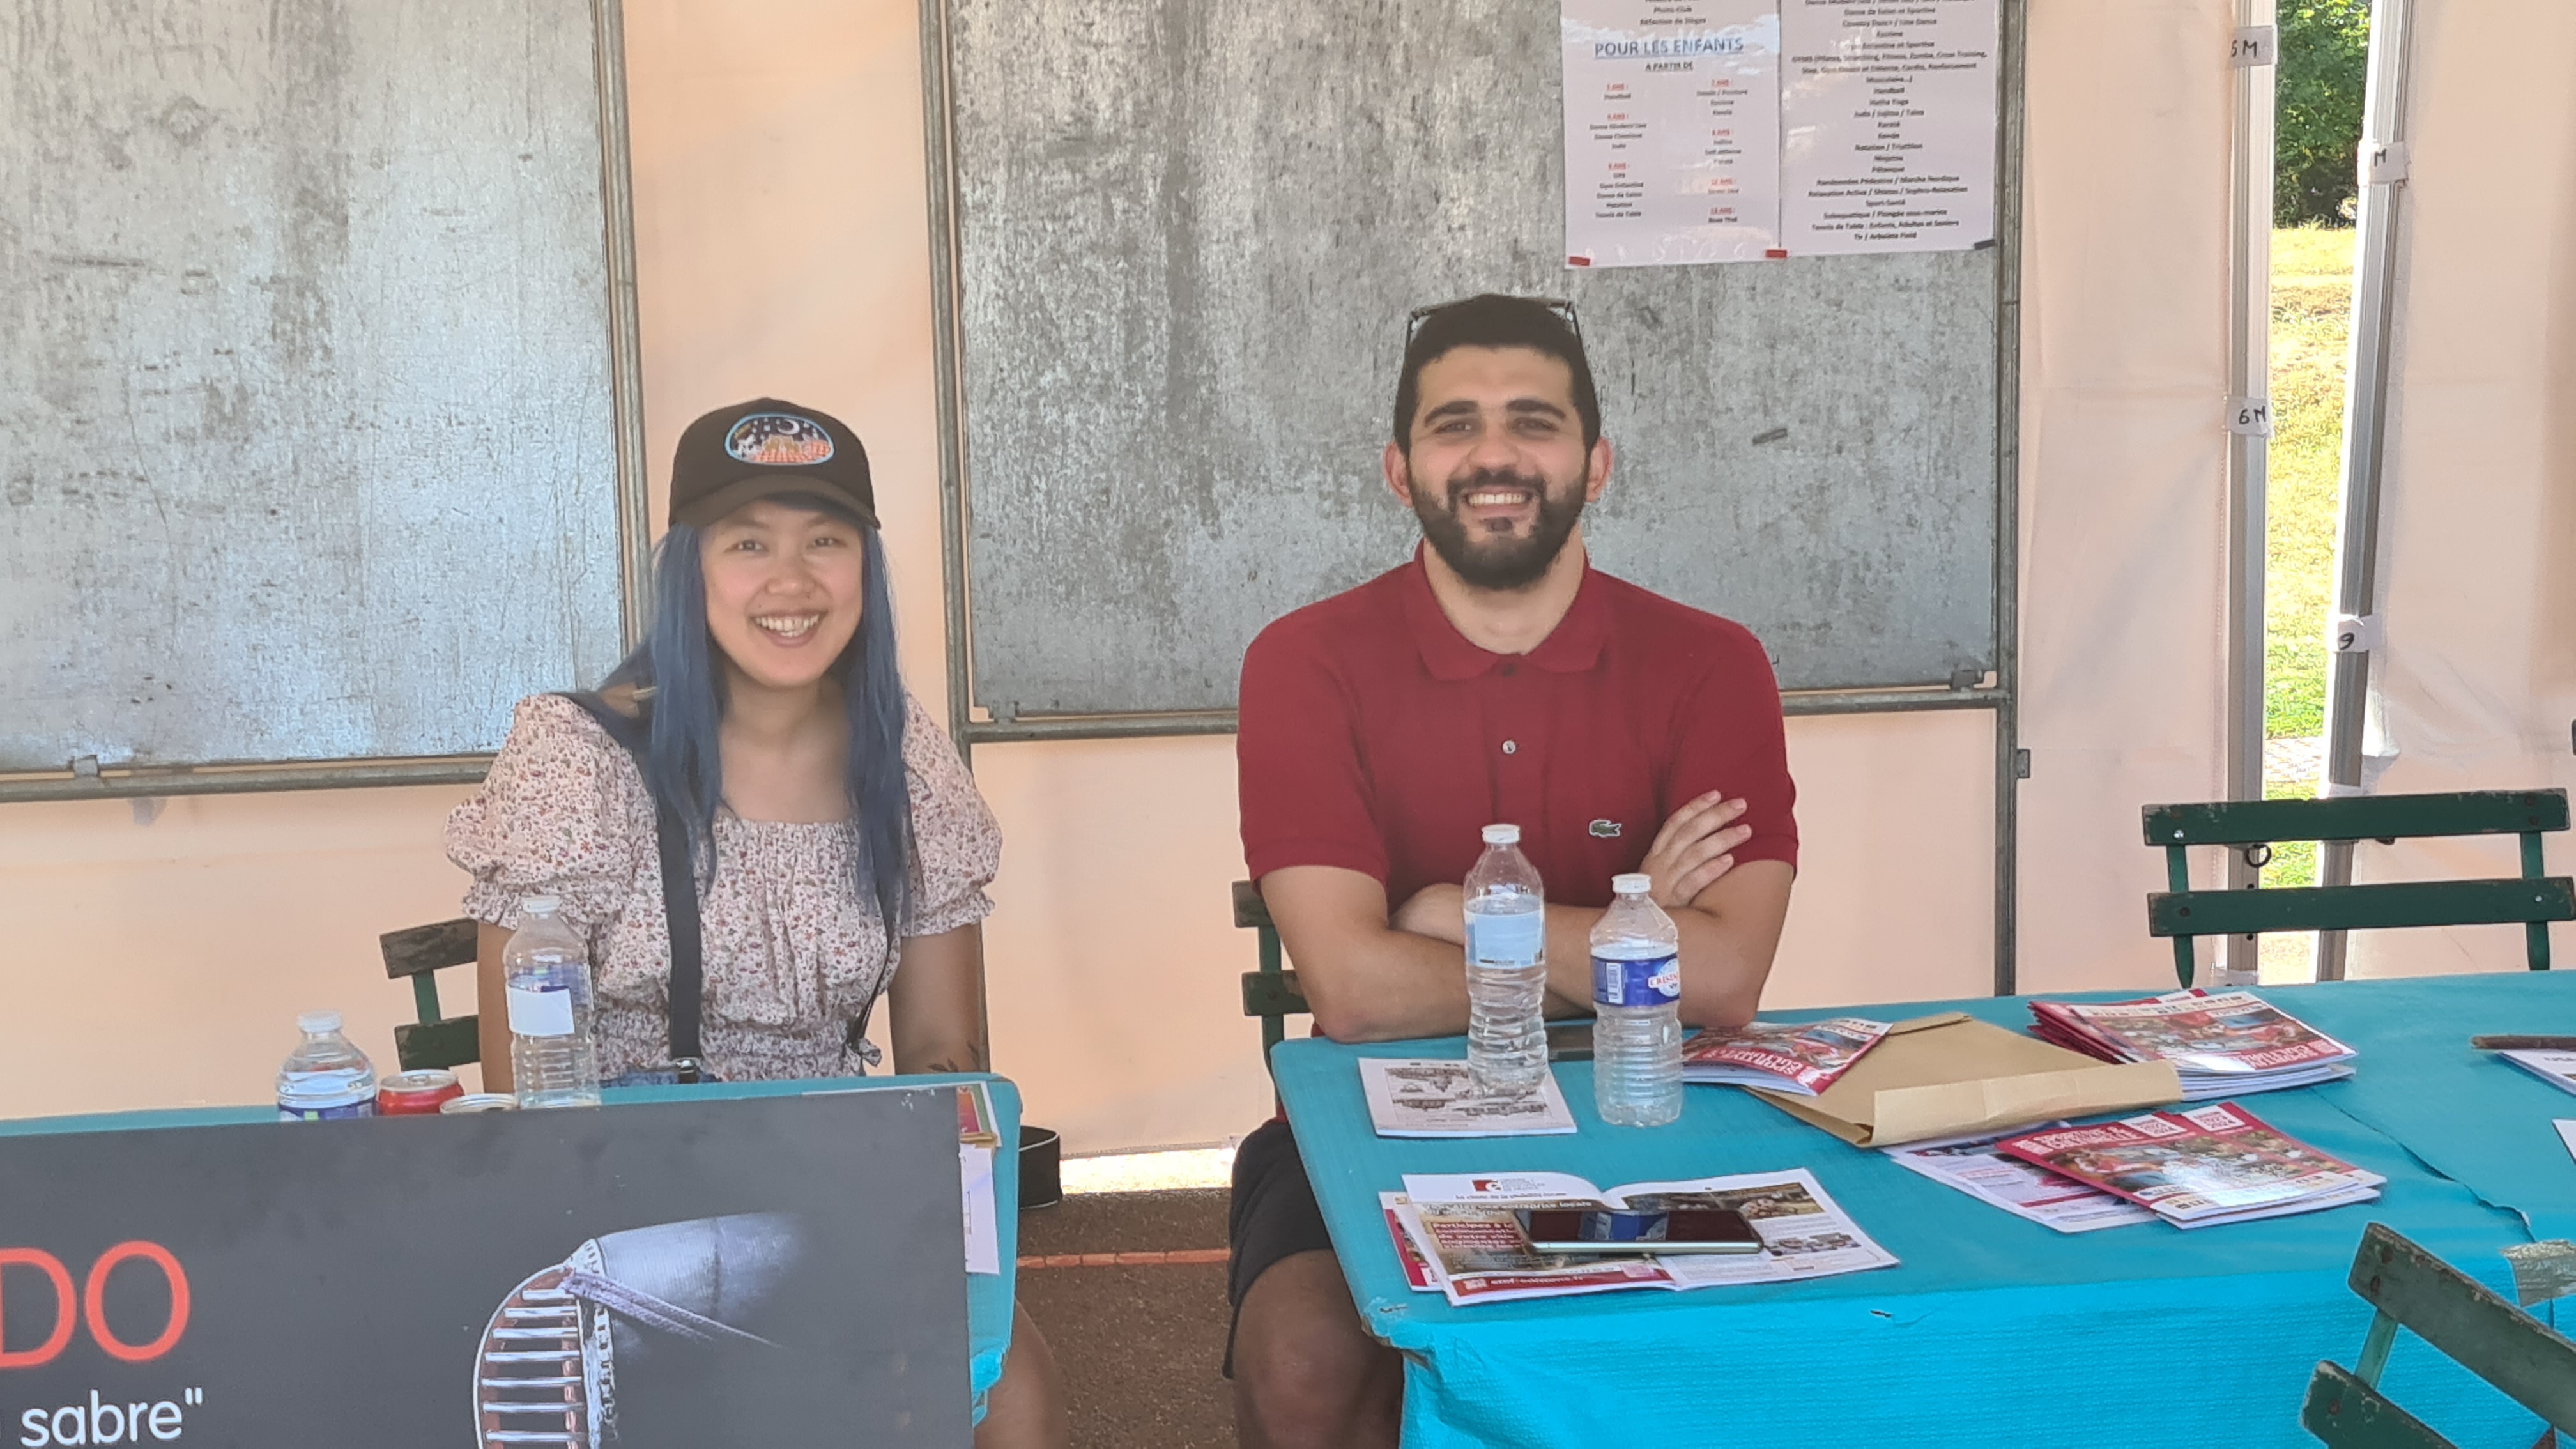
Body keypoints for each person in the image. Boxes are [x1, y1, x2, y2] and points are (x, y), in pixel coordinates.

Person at [1226, 296, 1800, 1448]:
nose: (1495, 455)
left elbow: (1729, 977)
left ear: (1596, 463)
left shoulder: (1711, 662)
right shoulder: (1304, 661)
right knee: (1301, 1359)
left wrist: (1448, 916)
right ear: (1401, 469)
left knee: (1788, 1339)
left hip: (1656, 1105)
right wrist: (1632, 939)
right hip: (1374, 1122)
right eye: (1456, 426)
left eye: (1533, 422)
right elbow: (1350, 993)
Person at [446, 399, 1066, 1449]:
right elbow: (523, 1081)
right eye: (749, 545)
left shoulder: (904, 757)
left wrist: (924, 1245)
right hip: (619, 1195)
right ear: (689, 571)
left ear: (865, 568)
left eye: (826, 542)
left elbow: (940, 1060)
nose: (791, 583)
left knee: (1014, 1396)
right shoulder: (581, 756)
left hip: (831, 1177)